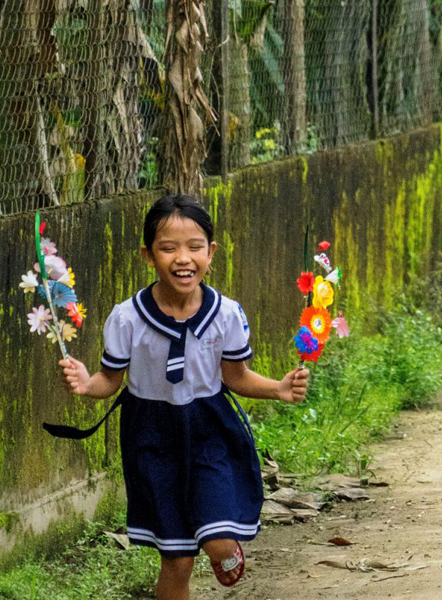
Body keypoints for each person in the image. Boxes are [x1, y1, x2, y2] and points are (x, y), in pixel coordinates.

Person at [54, 195, 310, 599]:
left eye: (194, 247)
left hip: (210, 431)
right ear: (148, 255)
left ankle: (224, 549)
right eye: (168, 248)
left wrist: (278, 389)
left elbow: (236, 376)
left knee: (219, 539)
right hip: (151, 438)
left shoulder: (226, 314)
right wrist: (88, 386)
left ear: (211, 252)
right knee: (176, 558)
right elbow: (109, 380)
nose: (183, 258)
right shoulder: (126, 318)